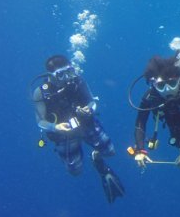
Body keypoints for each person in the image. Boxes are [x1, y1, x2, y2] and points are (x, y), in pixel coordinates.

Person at [32, 55, 125, 203]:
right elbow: (40, 122)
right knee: (75, 171)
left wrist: (89, 110)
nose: (66, 78)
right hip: (63, 135)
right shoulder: (40, 93)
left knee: (110, 152)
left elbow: (92, 102)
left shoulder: (77, 80)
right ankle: (90, 161)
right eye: (61, 74)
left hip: (85, 124)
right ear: (50, 76)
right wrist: (55, 127)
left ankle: (98, 161)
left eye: (69, 71)